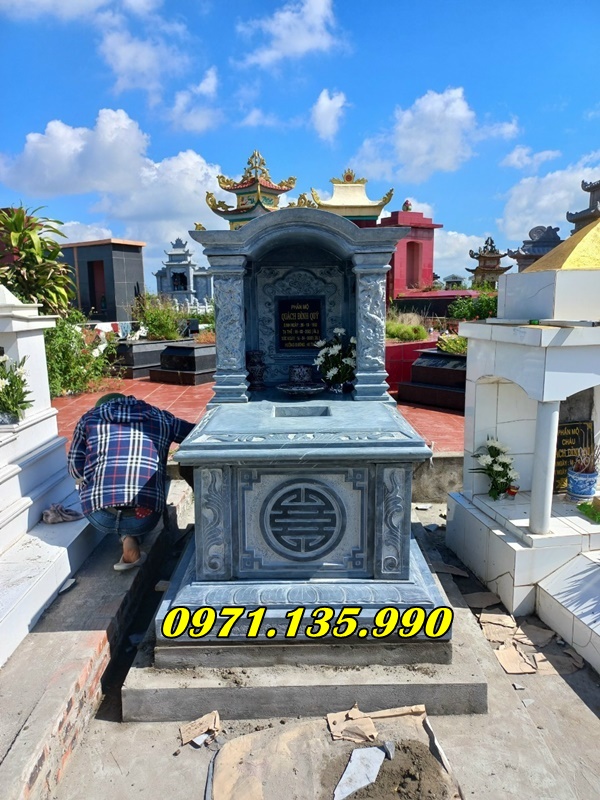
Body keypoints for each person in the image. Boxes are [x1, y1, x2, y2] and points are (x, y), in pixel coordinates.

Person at [67, 393, 195, 571]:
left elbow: (75, 470)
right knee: (157, 478)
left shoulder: (89, 419)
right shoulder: (161, 418)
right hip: (145, 515)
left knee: (89, 482)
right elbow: (196, 434)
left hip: (100, 515)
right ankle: (131, 534)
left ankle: (127, 537)